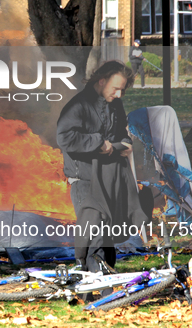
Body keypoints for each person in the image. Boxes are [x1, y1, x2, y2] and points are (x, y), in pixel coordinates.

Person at [56, 60, 149, 301]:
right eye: (116, 88)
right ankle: (101, 291)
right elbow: (65, 138)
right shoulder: (78, 106)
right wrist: (99, 143)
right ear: (101, 81)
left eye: (123, 90)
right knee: (93, 234)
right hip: (84, 181)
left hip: (110, 180)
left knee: (106, 237)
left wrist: (125, 145)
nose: (119, 94)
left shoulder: (115, 105)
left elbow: (119, 135)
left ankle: (97, 289)